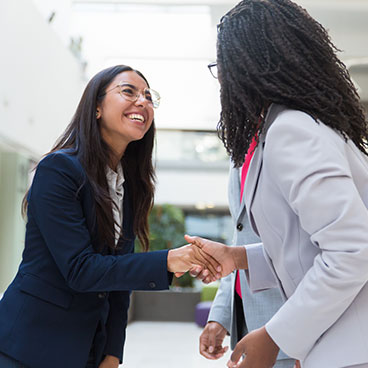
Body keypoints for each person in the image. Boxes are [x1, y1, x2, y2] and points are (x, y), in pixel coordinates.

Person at [0, 64, 223, 368]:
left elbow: (118, 282)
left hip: (90, 349)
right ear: (96, 108)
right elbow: (80, 269)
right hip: (29, 345)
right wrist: (169, 261)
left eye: (148, 96)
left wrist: (113, 351)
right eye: (128, 91)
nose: (142, 102)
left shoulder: (129, 185)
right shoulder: (58, 169)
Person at [188, 0, 368, 367]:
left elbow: (351, 252)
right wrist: (237, 257)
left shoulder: (292, 129)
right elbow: (306, 247)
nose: (222, 79)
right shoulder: (293, 127)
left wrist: (274, 337)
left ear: (250, 65)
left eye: (222, 66)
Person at [197, 162, 294, 368]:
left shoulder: (287, 138)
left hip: (289, 333)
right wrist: (220, 316)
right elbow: (240, 240)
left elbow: (304, 246)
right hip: (248, 329)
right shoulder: (238, 154)